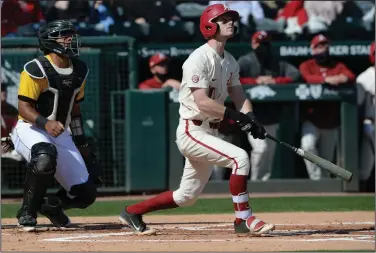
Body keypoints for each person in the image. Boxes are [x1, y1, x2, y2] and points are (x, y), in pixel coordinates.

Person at [119, 3, 275, 236]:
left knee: (186, 196)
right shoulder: (198, 58)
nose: (231, 22)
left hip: (208, 132)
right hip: (192, 130)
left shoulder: (230, 60)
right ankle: (243, 219)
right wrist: (234, 115)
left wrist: (251, 118)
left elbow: (239, 96)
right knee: (240, 158)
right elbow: (202, 102)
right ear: (210, 25)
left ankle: (131, 211)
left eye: (231, 18)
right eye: (224, 19)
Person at [9, 20, 99, 231]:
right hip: (30, 128)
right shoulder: (35, 68)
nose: (70, 39)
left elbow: (75, 112)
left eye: (70, 35)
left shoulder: (80, 69)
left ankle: (51, 207)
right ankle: (27, 212)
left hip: (60, 132)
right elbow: (23, 107)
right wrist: (45, 122)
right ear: (50, 41)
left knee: (86, 193)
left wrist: (82, 142)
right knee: (44, 156)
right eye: (63, 35)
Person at [238, 30, 300, 181]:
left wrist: (275, 81)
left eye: (265, 43)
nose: (261, 46)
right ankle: (254, 181)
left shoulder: (276, 61)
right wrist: (255, 82)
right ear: (253, 43)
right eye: (258, 42)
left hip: (271, 116)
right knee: (261, 149)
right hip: (251, 115)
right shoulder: (245, 61)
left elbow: (295, 74)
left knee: (269, 153)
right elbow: (232, 79)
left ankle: (263, 184)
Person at [299, 34, 355, 180]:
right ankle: (317, 180)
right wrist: (326, 79)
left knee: (326, 159)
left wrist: (341, 78)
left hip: (330, 121)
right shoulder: (307, 65)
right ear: (312, 49)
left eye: (325, 45)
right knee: (307, 145)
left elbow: (349, 76)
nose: (323, 49)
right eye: (319, 46)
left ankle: (323, 185)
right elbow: (308, 77)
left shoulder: (337, 66)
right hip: (312, 118)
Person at [356, 42, 375, 191]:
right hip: (371, 122)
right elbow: (358, 105)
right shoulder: (364, 78)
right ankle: (362, 188)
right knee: (367, 160)